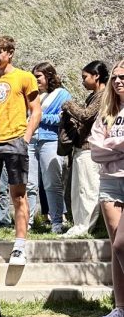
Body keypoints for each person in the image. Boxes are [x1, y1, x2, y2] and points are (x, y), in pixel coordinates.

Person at [0, 35, 41, 266]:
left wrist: (25, 138)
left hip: (15, 140)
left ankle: (19, 246)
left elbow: (35, 110)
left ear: (10, 53)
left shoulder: (24, 77)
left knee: (18, 195)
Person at [90, 60, 124, 317]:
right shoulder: (107, 112)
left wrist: (110, 146)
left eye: (123, 77)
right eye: (115, 77)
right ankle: (120, 307)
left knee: (123, 244)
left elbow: (105, 147)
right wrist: (118, 147)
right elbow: (95, 150)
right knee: (116, 246)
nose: (118, 82)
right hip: (109, 182)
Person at [60, 61, 108, 236]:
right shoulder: (92, 96)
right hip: (81, 148)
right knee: (79, 191)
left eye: (85, 77)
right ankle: (79, 225)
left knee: (88, 190)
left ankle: (86, 227)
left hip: (90, 149)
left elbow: (87, 116)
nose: (83, 81)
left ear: (96, 76)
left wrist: (69, 105)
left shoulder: (102, 95)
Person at [26, 63, 70, 233]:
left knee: (52, 182)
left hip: (50, 140)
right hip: (30, 141)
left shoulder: (62, 94)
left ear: (49, 76)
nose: (35, 79)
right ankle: (27, 223)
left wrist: (39, 117)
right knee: (28, 184)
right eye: (34, 76)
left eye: (38, 76)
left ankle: (57, 222)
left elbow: (63, 119)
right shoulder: (31, 94)